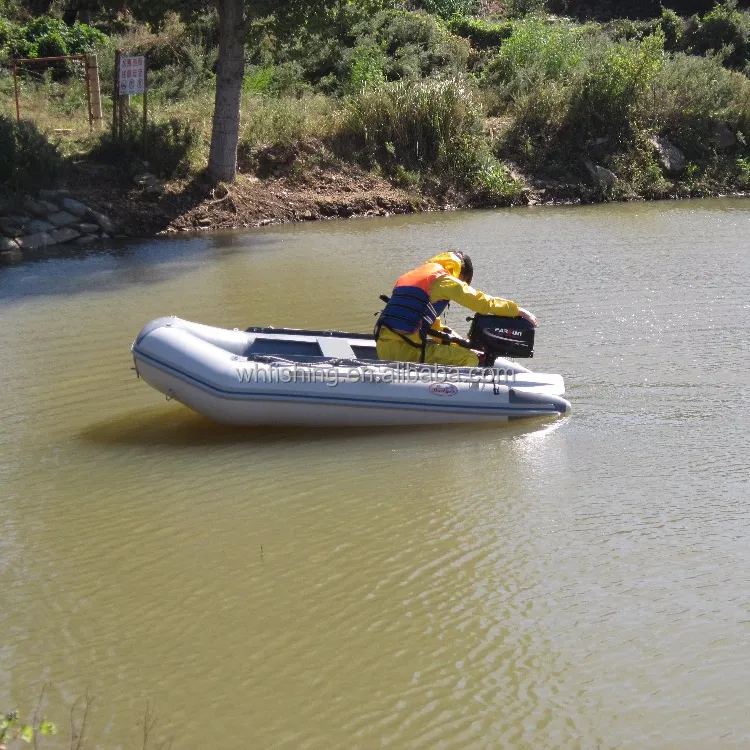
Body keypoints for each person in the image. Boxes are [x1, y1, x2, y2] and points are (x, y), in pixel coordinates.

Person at [374, 250, 537, 367]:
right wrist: (517, 310)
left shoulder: (411, 277)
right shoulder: (444, 280)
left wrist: (463, 344)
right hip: (405, 351)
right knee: (470, 359)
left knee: (460, 352)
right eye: (465, 282)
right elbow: (482, 303)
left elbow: (434, 328)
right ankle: (454, 398)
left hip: (384, 347)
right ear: (462, 274)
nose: (463, 285)